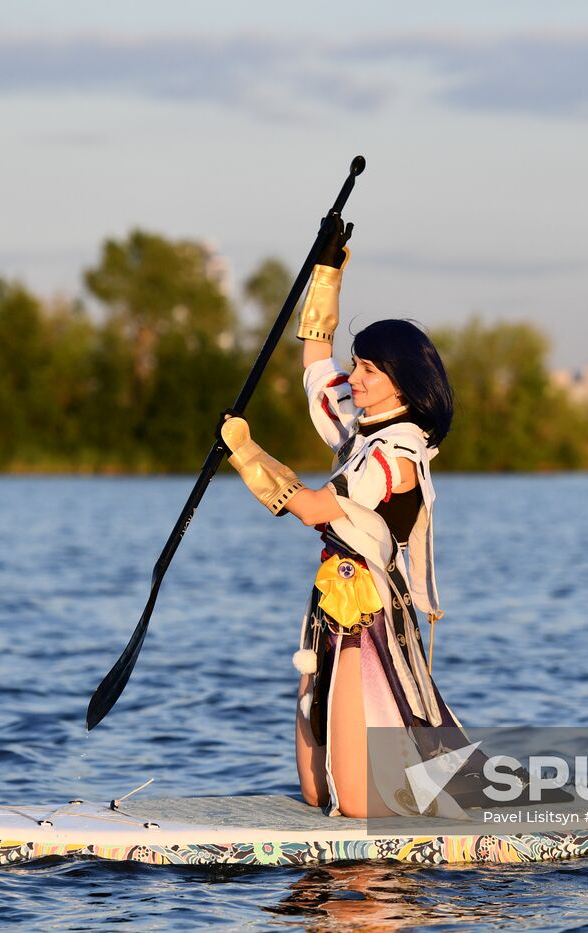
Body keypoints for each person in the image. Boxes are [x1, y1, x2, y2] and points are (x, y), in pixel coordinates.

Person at [220, 222, 477, 819]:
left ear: (401, 384)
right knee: (317, 793)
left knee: (357, 802)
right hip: (329, 608)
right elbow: (316, 356)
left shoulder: (394, 455)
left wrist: (246, 454)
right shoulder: (365, 427)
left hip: (370, 617)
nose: (353, 378)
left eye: (367, 371)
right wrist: (327, 271)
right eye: (358, 366)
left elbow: (311, 507)